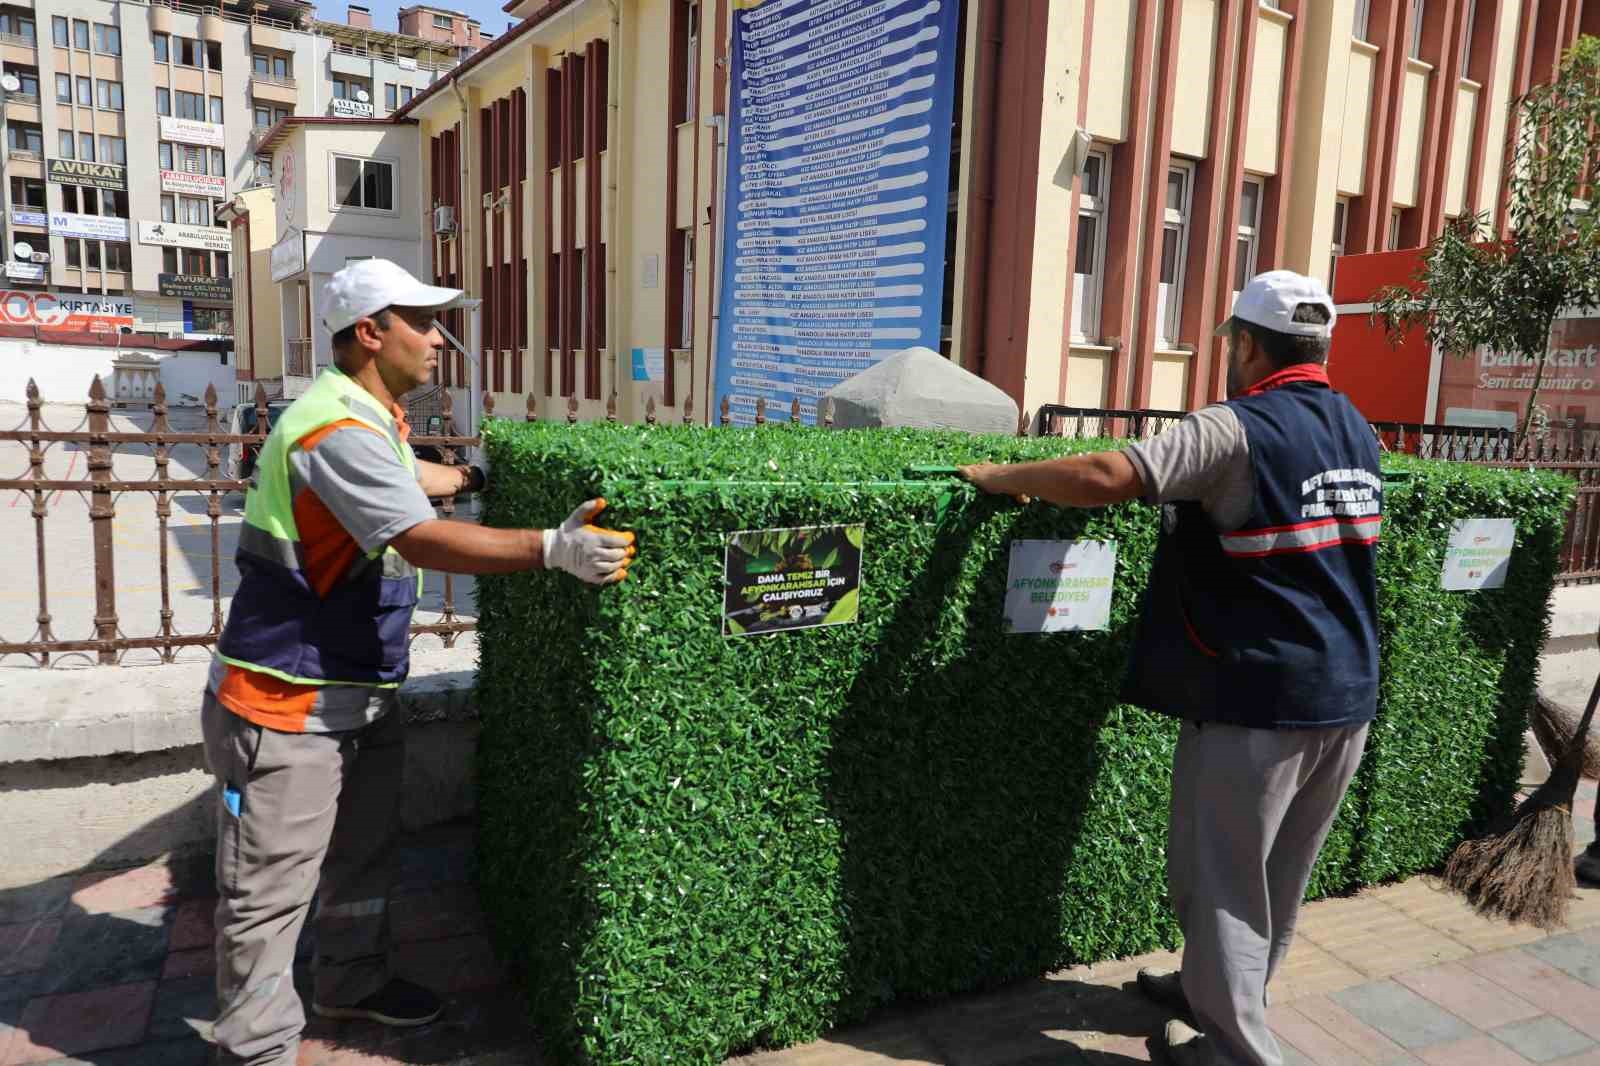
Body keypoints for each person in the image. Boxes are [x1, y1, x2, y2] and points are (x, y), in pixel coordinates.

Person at [203, 258, 637, 1066]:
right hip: (285, 706)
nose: (440, 339)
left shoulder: (367, 416)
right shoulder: (334, 430)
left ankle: (351, 982)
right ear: (372, 333)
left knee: (363, 857)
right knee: (267, 896)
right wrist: (551, 547)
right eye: (425, 322)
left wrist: (476, 474)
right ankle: (254, 1051)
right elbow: (419, 535)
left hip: (354, 692)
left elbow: (410, 479)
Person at [961, 271, 1380, 1066]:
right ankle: (1209, 992)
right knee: (1276, 879)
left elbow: (1108, 475)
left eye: (1231, 344)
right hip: (1348, 694)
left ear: (1248, 346)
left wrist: (1001, 476)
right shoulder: (1357, 429)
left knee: (1221, 881)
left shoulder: (1235, 430)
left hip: (1260, 700)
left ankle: (1237, 1051)